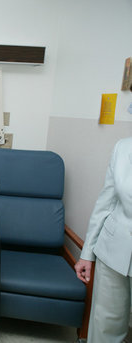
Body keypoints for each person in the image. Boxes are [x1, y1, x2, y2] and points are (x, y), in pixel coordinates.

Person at [74, 137, 132, 343]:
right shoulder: (123, 147)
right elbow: (106, 203)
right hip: (113, 250)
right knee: (104, 326)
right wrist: (87, 254)